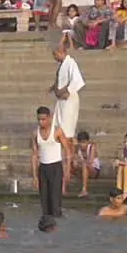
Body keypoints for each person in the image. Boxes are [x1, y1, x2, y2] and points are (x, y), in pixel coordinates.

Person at [31, 105, 71, 218]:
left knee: (55, 200)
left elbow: (67, 151)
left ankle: (57, 221)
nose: (41, 122)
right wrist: (34, 176)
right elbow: (34, 155)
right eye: (39, 119)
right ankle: (46, 222)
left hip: (55, 167)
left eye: (43, 119)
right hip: (43, 168)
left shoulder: (57, 131)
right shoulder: (35, 133)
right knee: (44, 200)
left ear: (49, 118)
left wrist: (67, 170)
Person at [49, 40, 84, 168]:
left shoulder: (71, 62)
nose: (54, 57)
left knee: (67, 131)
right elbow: (60, 80)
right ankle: (65, 157)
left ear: (61, 52)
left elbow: (77, 80)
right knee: (59, 128)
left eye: (55, 54)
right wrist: (53, 88)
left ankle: (71, 160)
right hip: (61, 102)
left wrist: (66, 91)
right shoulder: (62, 65)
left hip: (69, 100)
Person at [72, 131, 101, 198]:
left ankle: (84, 190)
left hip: (94, 170)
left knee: (85, 165)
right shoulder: (77, 148)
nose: (82, 145)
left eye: (84, 142)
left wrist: (80, 162)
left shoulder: (91, 147)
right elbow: (75, 159)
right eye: (81, 142)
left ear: (88, 142)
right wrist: (76, 162)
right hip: (83, 168)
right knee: (72, 164)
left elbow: (90, 161)